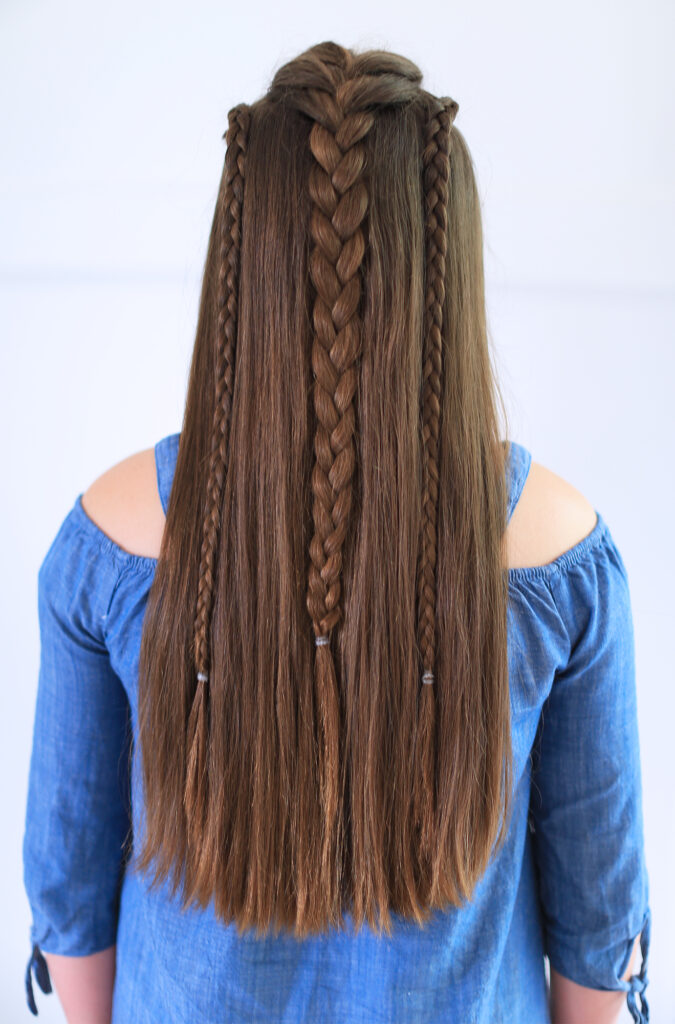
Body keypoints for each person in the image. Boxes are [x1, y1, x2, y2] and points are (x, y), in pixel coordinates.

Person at [22, 40, 651, 1024]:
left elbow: (69, 883)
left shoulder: (111, 537)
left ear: (246, 261)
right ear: (442, 267)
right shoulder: (560, 552)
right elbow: (598, 928)